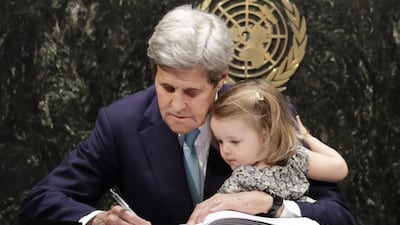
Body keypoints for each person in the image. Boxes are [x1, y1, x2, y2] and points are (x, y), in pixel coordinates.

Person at [19, 4, 356, 225]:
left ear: (220, 80)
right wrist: (96, 219)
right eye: (167, 88)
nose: (176, 105)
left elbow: (339, 216)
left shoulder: (262, 113)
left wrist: (274, 206)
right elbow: (41, 200)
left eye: (192, 92)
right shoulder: (121, 122)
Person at [212, 79, 348, 200]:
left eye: (234, 142)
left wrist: (308, 138)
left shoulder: (294, 157)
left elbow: (339, 169)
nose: (225, 150)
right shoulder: (238, 179)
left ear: (265, 136)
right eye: (220, 141)